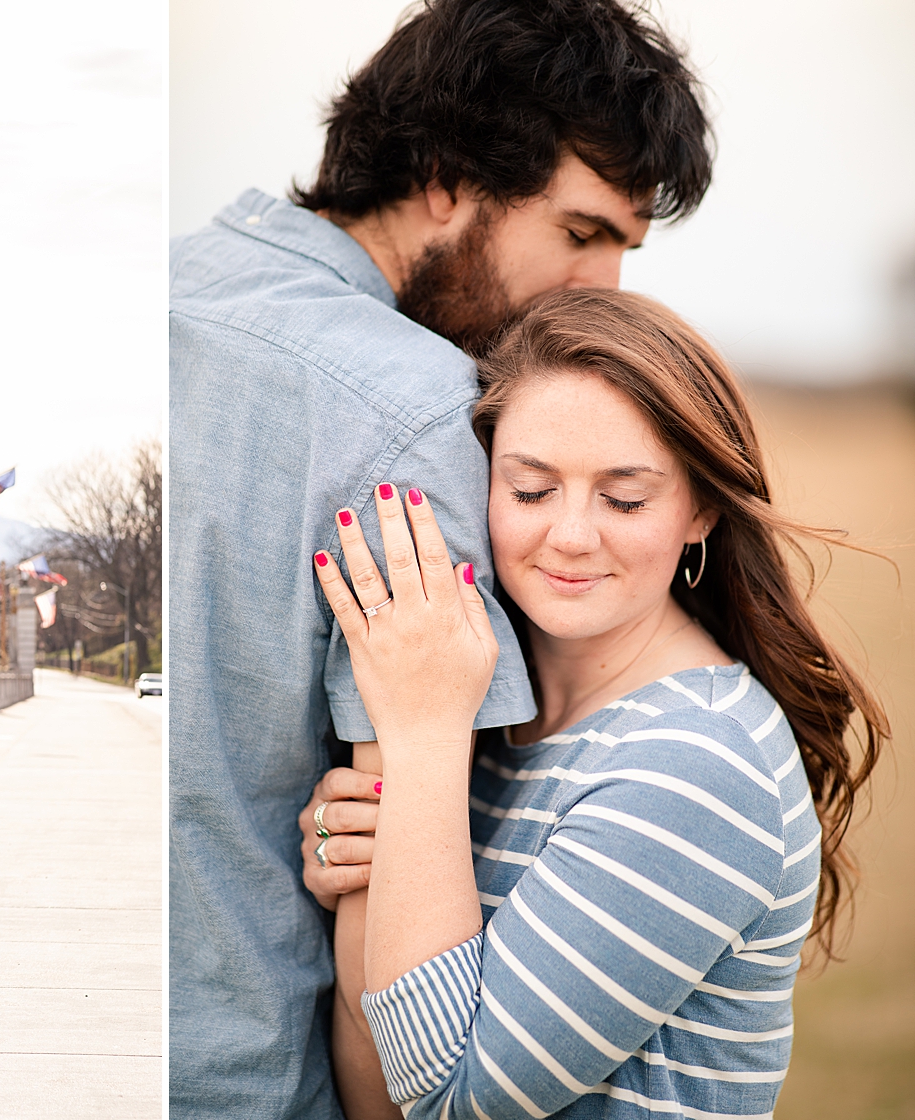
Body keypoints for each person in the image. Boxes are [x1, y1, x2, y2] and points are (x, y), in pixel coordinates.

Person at [169, 1, 711, 1115]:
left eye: (622, 245)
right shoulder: (418, 417)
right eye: (579, 231)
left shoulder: (155, 286)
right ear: (441, 177)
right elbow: (400, 913)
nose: (606, 286)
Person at [301, 289, 886, 1118]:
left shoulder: (699, 764)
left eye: (625, 498)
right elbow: (380, 1100)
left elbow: (449, 1100)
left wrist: (420, 736)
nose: (572, 536)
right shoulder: (496, 722)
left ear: (702, 508)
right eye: (531, 490)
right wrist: (368, 864)